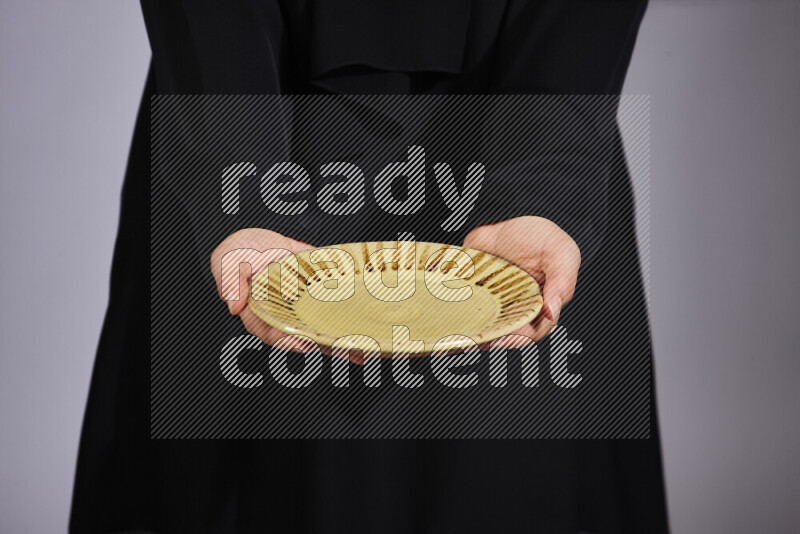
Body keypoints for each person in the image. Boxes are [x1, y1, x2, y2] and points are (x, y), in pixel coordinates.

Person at [71, 1, 669, 532]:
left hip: (536, 139)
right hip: (244, 104)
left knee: (512, 485)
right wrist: (239, 181)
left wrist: (547, 190)